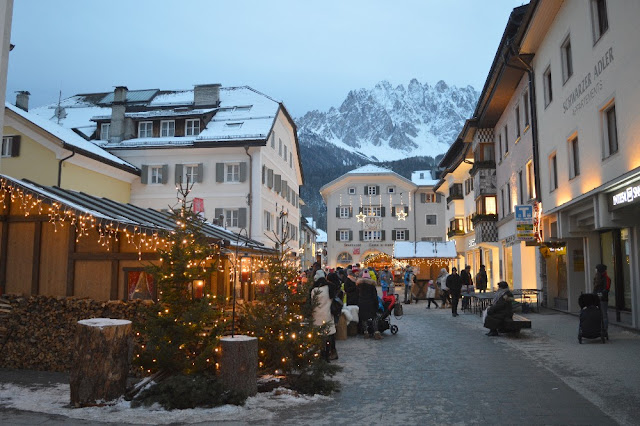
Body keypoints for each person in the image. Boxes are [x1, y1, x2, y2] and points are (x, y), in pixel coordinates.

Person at [311, 270, 338, 360]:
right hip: (328, 315)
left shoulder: (314, 290)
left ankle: (321, 353)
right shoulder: (329, 288)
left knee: (320, 336)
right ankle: (329, 352)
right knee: (329, 335)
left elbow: (312, 303)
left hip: (317, 316)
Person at [357, 270, 379, 337]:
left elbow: (357, 295)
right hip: (370, 303)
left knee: (364, 318)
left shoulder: (359, 286)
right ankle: (376, 332)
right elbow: (375, 296)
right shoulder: (372, 286)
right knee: (374, 317)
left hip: (362, 303)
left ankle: (366, 332)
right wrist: (376, 304)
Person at [593, 263, 611, 336]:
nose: (595, 271)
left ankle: (605, 330)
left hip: (603, 300)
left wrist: (598, 295)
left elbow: (606, 289)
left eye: (596, 269)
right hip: (596, 299)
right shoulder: (596, 278)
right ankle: (597, 329)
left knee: (604, 315)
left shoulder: (606, 279)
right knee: (597, 314)